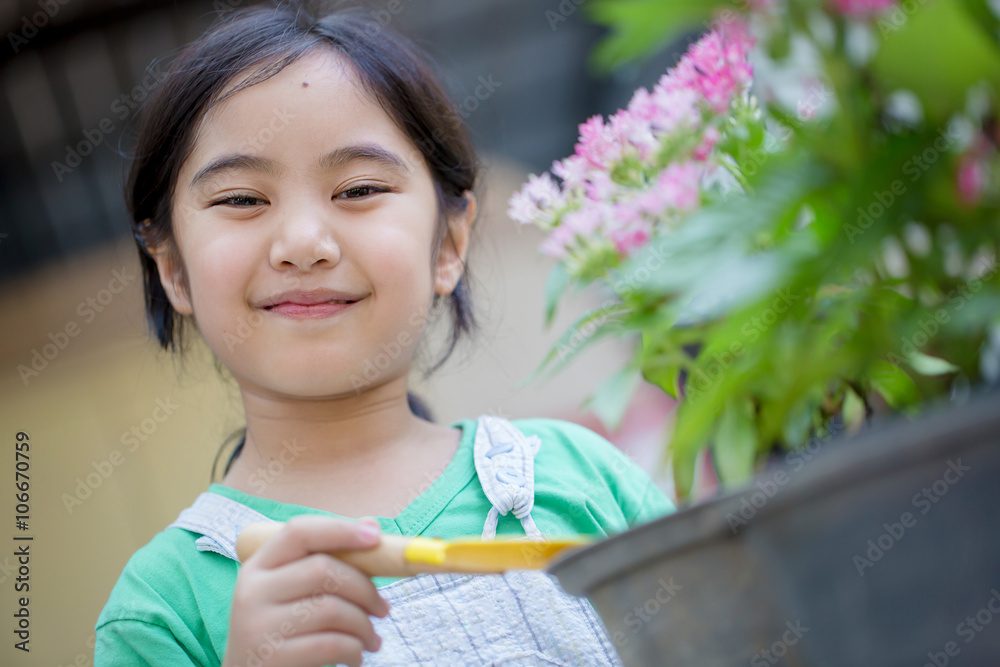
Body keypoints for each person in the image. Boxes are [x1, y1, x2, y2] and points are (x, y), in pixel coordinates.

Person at [94, 1, 674, 665]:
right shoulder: (160, 609)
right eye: (242, 200)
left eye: (360, 188)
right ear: (172, 268)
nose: (303, 243)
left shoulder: (584, 477)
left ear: (449, 242)